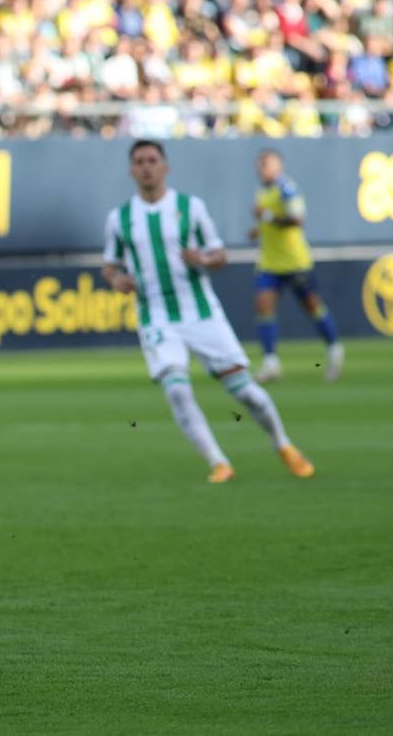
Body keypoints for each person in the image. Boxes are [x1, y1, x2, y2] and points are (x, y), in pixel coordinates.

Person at [101, 140, 314, 484]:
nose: (146, 167)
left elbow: (220, 255)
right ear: (131, 170)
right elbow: (109, 265)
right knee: (176, 390)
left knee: (246, 392)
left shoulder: (190, 207)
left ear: (165, 167)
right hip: (155, 315)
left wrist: (203, 259)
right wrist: (116, 279)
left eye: (152, 160)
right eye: (139, 161)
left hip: (200, 312)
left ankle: (283, 444)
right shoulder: (120, 218)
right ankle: (219, 462)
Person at [249, 149, 343, 383]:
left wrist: (268, 217)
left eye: (266, 164)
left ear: (278, 166)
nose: (262, 168)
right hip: (269, 261)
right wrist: (259, 229)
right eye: (260, 164)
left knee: (311, 306)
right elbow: (269, 221)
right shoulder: (262, 191)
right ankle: (271, 361)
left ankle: (333, 347)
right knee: (263, 306)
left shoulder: (286, 188)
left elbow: (297, 219)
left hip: (294, 260)